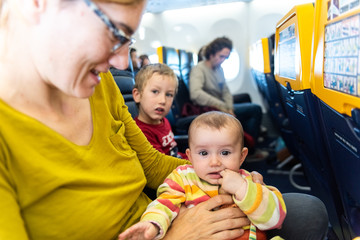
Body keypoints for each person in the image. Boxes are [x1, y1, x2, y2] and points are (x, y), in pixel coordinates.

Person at [0, 0, 329, 239]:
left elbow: (152, 165)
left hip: (160, 214)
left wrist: (226, 172)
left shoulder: (100, 89)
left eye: (127, 42)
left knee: (307, 211)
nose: (119, 61)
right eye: (115, 33)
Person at [118, 111, 287, 240]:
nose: (214, 162)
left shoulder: (248, 181)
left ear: (242, 156)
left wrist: (243, 189)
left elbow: (274, 220)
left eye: (225, 152)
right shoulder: (182, 178)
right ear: (190, 157)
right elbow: (163, 205)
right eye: (204, 153)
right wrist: (152, 224)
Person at [189, 37, 267, 159]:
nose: (223, 60)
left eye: (226, 57)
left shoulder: (218, 69)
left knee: (249, 104)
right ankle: (250, 151)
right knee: (255, 109)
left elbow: (225, 91)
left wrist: (229, 108)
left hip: (220, 107)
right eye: (221, 56)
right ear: (212, 53)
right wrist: (223, 107)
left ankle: (246, 145)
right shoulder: (199, 69)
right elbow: (196, 94)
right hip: (208, 108)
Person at [133, 63, 187, 159]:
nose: (163, 101)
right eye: (155, 92)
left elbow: (174, 152)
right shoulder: (140, 132)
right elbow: (161, 164)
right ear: (137, 95)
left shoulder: (164, 121)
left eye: (169, 95)